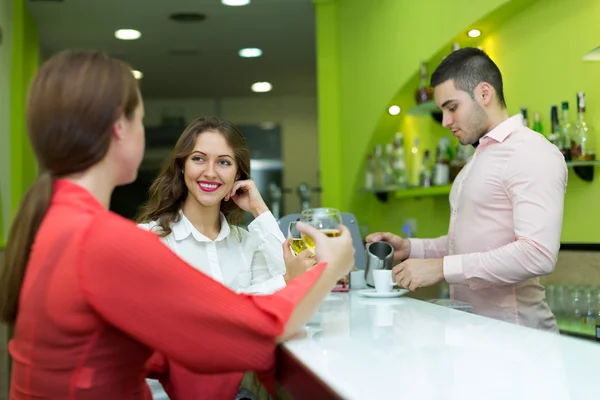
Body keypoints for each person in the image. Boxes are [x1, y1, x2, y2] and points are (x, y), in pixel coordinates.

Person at [0, 49, 355, 400]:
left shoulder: (59, 223)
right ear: (119, 128)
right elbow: (253, 333)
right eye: (141, 119)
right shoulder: (103, 241)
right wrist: (329, 268)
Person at [367, 47, 567, 331]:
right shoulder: (479, 158)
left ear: (484, 94)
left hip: (519, 340)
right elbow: (468, 242)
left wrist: (441, 268)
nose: (446, 121)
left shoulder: (531, 152)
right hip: (472, 334)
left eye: (452, 108)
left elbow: (537, 254)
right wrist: (412, 248)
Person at [136, 116, 315, 399]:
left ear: (238, 175)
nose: (210, 172)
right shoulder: (148, 239)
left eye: (223, 162)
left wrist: (260, 210)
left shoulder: (247, 241)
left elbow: (295, 306)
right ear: (182, 166)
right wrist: (284, 281)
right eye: (198, 159)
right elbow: (205, 322)